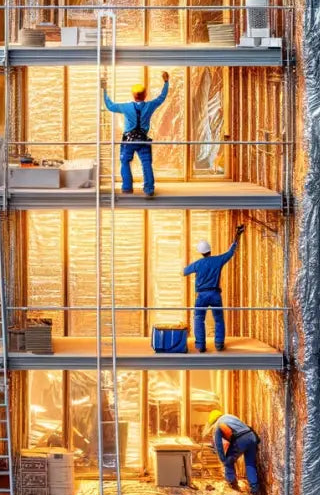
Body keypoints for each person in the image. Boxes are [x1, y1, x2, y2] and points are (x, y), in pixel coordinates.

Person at [100, 72, 170, 196]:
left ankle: (127, 187)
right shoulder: (150, 105)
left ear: (133, 95)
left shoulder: (126, 107)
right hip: (143, 140)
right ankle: (149, 189)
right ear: (145, 95)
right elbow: (161, 97)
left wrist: (104, 90)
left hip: (129, 141)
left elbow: (110, 106)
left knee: (125, 161)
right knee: (146, 163)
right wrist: (166, 82)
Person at [184, 224, 246, 352]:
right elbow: (230, 253)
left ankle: (200, 345)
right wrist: (237, 235)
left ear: (201, 252)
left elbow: (184, 272)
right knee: (218, 319)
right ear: (210, 250)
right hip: (215, 295)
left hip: (202, 296)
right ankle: (219, 344)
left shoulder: (198, 263)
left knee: (199, 318)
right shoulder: (218, 260)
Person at [207, 410, 263, 495]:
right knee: (250, 464)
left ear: (212, 421)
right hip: (252, 436)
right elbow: (239, 429)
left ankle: (233, 486)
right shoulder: (230, 417)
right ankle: (255, 490)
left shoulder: (218, 425)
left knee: (228, 461)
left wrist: (223, 460)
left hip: (241, 439)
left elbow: (219, 446)